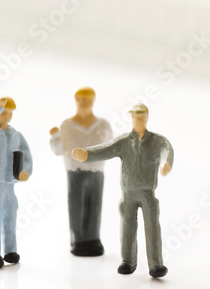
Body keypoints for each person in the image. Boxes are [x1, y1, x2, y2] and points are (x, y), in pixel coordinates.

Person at [72, 103, 173, 278]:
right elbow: (106, 149)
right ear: (132, 118)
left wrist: (166, 163)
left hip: (147, 193)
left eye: (142, 115)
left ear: (147, 117)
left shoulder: (156, 141)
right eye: (136, 115)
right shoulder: (124, 142)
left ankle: (156, 264)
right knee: (127, 228)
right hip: (128, 194)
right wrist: (87, 154)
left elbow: (167, 149)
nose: (139, 118)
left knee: (152, 227)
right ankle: (128, 261)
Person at [49, 87, 113, 256]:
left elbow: (111, 147)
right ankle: (77, 240)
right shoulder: (67, 125)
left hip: (96, 172)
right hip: (75, 173)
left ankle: (93, 239)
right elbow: (59, 150)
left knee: (95, 206)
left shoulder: (103, 125)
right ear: (75, 100)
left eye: (88, 100)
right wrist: (56, 137)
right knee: (76, 205)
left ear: (94, 101)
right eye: (81, 99)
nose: (84, 103)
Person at [0, 96, 32, 269]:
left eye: (10, 112)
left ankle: (11, 250)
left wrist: (25, 171)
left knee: (11, 214)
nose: (8, 115)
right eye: (4, 112)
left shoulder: (16, 135)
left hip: (10, 181)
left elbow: (26, 154)